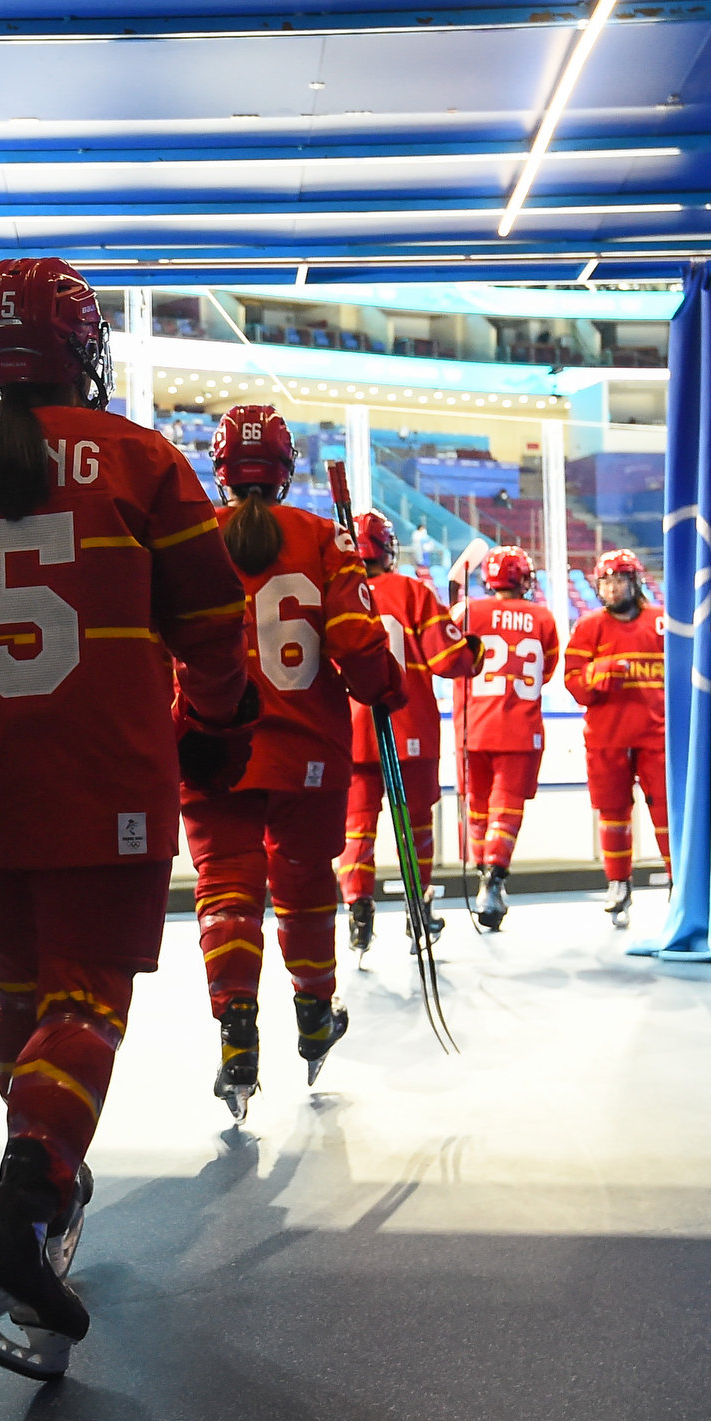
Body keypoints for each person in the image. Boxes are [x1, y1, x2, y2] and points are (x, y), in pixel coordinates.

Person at [0, 257, 254, 1380]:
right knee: (84, 1004)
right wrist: (218, 725)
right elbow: (214, 631)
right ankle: (22, 1217)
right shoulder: (142, 460)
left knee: (20, 997)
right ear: (82, 348)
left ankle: (42, 1167)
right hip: (103, 785)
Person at [182, 405, 404, 1122]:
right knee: (305, 883)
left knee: (227, 888)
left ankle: (236, 1030)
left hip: (211, 744)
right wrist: (386, 687)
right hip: (308, 748)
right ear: (285, 469)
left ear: (220, 468)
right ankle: (314, 1011)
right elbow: (357, 643)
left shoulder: (192, 536)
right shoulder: (321, 536)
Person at [336, 512, 484, 955]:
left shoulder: (332, 591)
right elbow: (449, 660)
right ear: (387, 549)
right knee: (414, 824)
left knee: (356, 828)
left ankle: (358, 909)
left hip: (350, 730)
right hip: (409, 729)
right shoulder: (412, 591)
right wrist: (471, 647)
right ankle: (418, 910)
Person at [454, 545, 560, 930]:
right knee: (506, 807)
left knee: (478, 806)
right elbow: (546, 670)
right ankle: (494, 879)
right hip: (520, 727)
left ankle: (483, 876)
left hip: (474, 725)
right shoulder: (542, 617)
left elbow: (447, 659)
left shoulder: (467, 611)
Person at [564, 549, 669, 927]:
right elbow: (574, 682)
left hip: (657, 736)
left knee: (668, 812)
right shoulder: (588, 626)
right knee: (612, 814)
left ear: (635, 582)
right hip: (606, 739)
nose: (612, 588)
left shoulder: (661, 623)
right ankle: (618, 883)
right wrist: (602, 671)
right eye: (606, 581)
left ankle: (680, 882)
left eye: (620, 580)